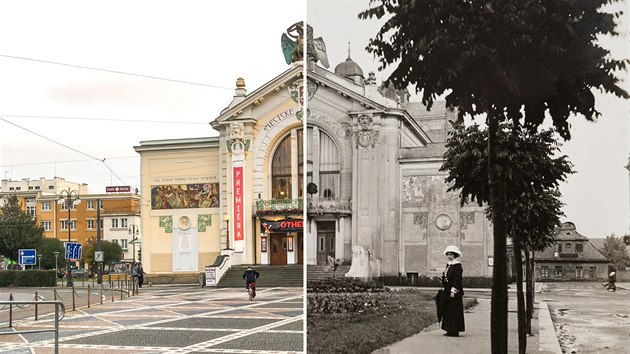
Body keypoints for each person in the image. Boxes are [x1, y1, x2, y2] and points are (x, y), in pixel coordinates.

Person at [441, 245, 465, 337]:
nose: (449, 256)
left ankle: (454, 330)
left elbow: (457, 280)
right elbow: (447, 277)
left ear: (455, 255)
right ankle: (449, 329)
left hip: (454, 292)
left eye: (451, 254)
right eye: (448, 254)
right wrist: (443, 279)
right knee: (448, 310)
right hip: (447, 291)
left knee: (454, 311)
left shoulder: (457, 266)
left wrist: (453, 291)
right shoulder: (449, 265)